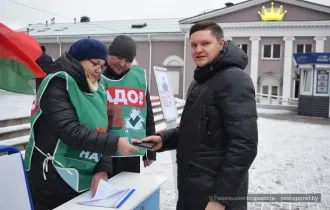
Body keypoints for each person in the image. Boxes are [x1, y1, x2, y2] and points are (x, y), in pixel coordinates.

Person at [143, 21, 258, 210]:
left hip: (215, 195)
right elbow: (198, 130)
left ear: (221, 44)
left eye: (205, 43)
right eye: (194, 45)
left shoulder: (234, 79)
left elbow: (244, 145)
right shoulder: (201, 80)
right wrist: (164, 139)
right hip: (194, 188)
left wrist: (220, 199)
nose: (198, 50)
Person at [24, 38, 141, 210]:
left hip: (84, 173)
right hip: (52, 175)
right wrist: (115, 143)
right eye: (95, 63)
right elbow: (70, 131)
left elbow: (104, 129)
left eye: (102, 66)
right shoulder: (57, 83)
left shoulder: (97, 88)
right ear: (78, 59)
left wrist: (102, 168)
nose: (98, 70)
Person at [97, 35, 156, 178]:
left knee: (128, 195)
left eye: (128, 60)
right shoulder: (95, 76)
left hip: (131, 151)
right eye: (118, 57)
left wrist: (150, 150)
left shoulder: (138, 78)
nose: (122, 63)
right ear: (109, 54)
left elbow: (147, 114)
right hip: (102, 151)